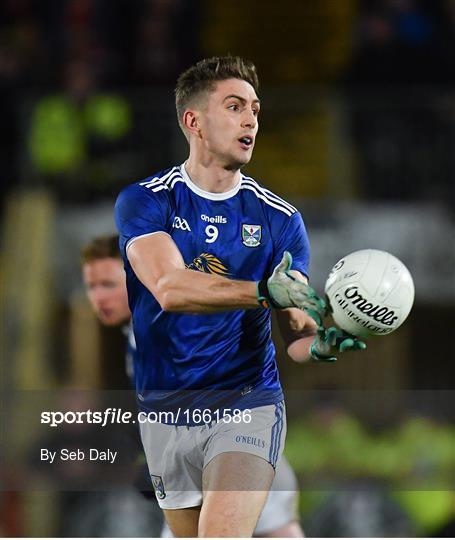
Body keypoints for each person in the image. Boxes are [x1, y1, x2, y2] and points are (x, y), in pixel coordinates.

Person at [114, 56, 365, 537]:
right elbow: (169, 288)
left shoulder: (280, 220)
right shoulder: (147, 201)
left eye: (255, 108)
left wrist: (319, 343)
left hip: (247, 402)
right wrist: (261, 291)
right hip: (164, 409)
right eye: (234, 106)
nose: (250, 119)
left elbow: (296, 329)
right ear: (194, 122)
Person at [81, 234, 305, 537]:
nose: (98, 297)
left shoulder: (179, 328)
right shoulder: (140, 334)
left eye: (108, 284)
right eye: (91, 286)